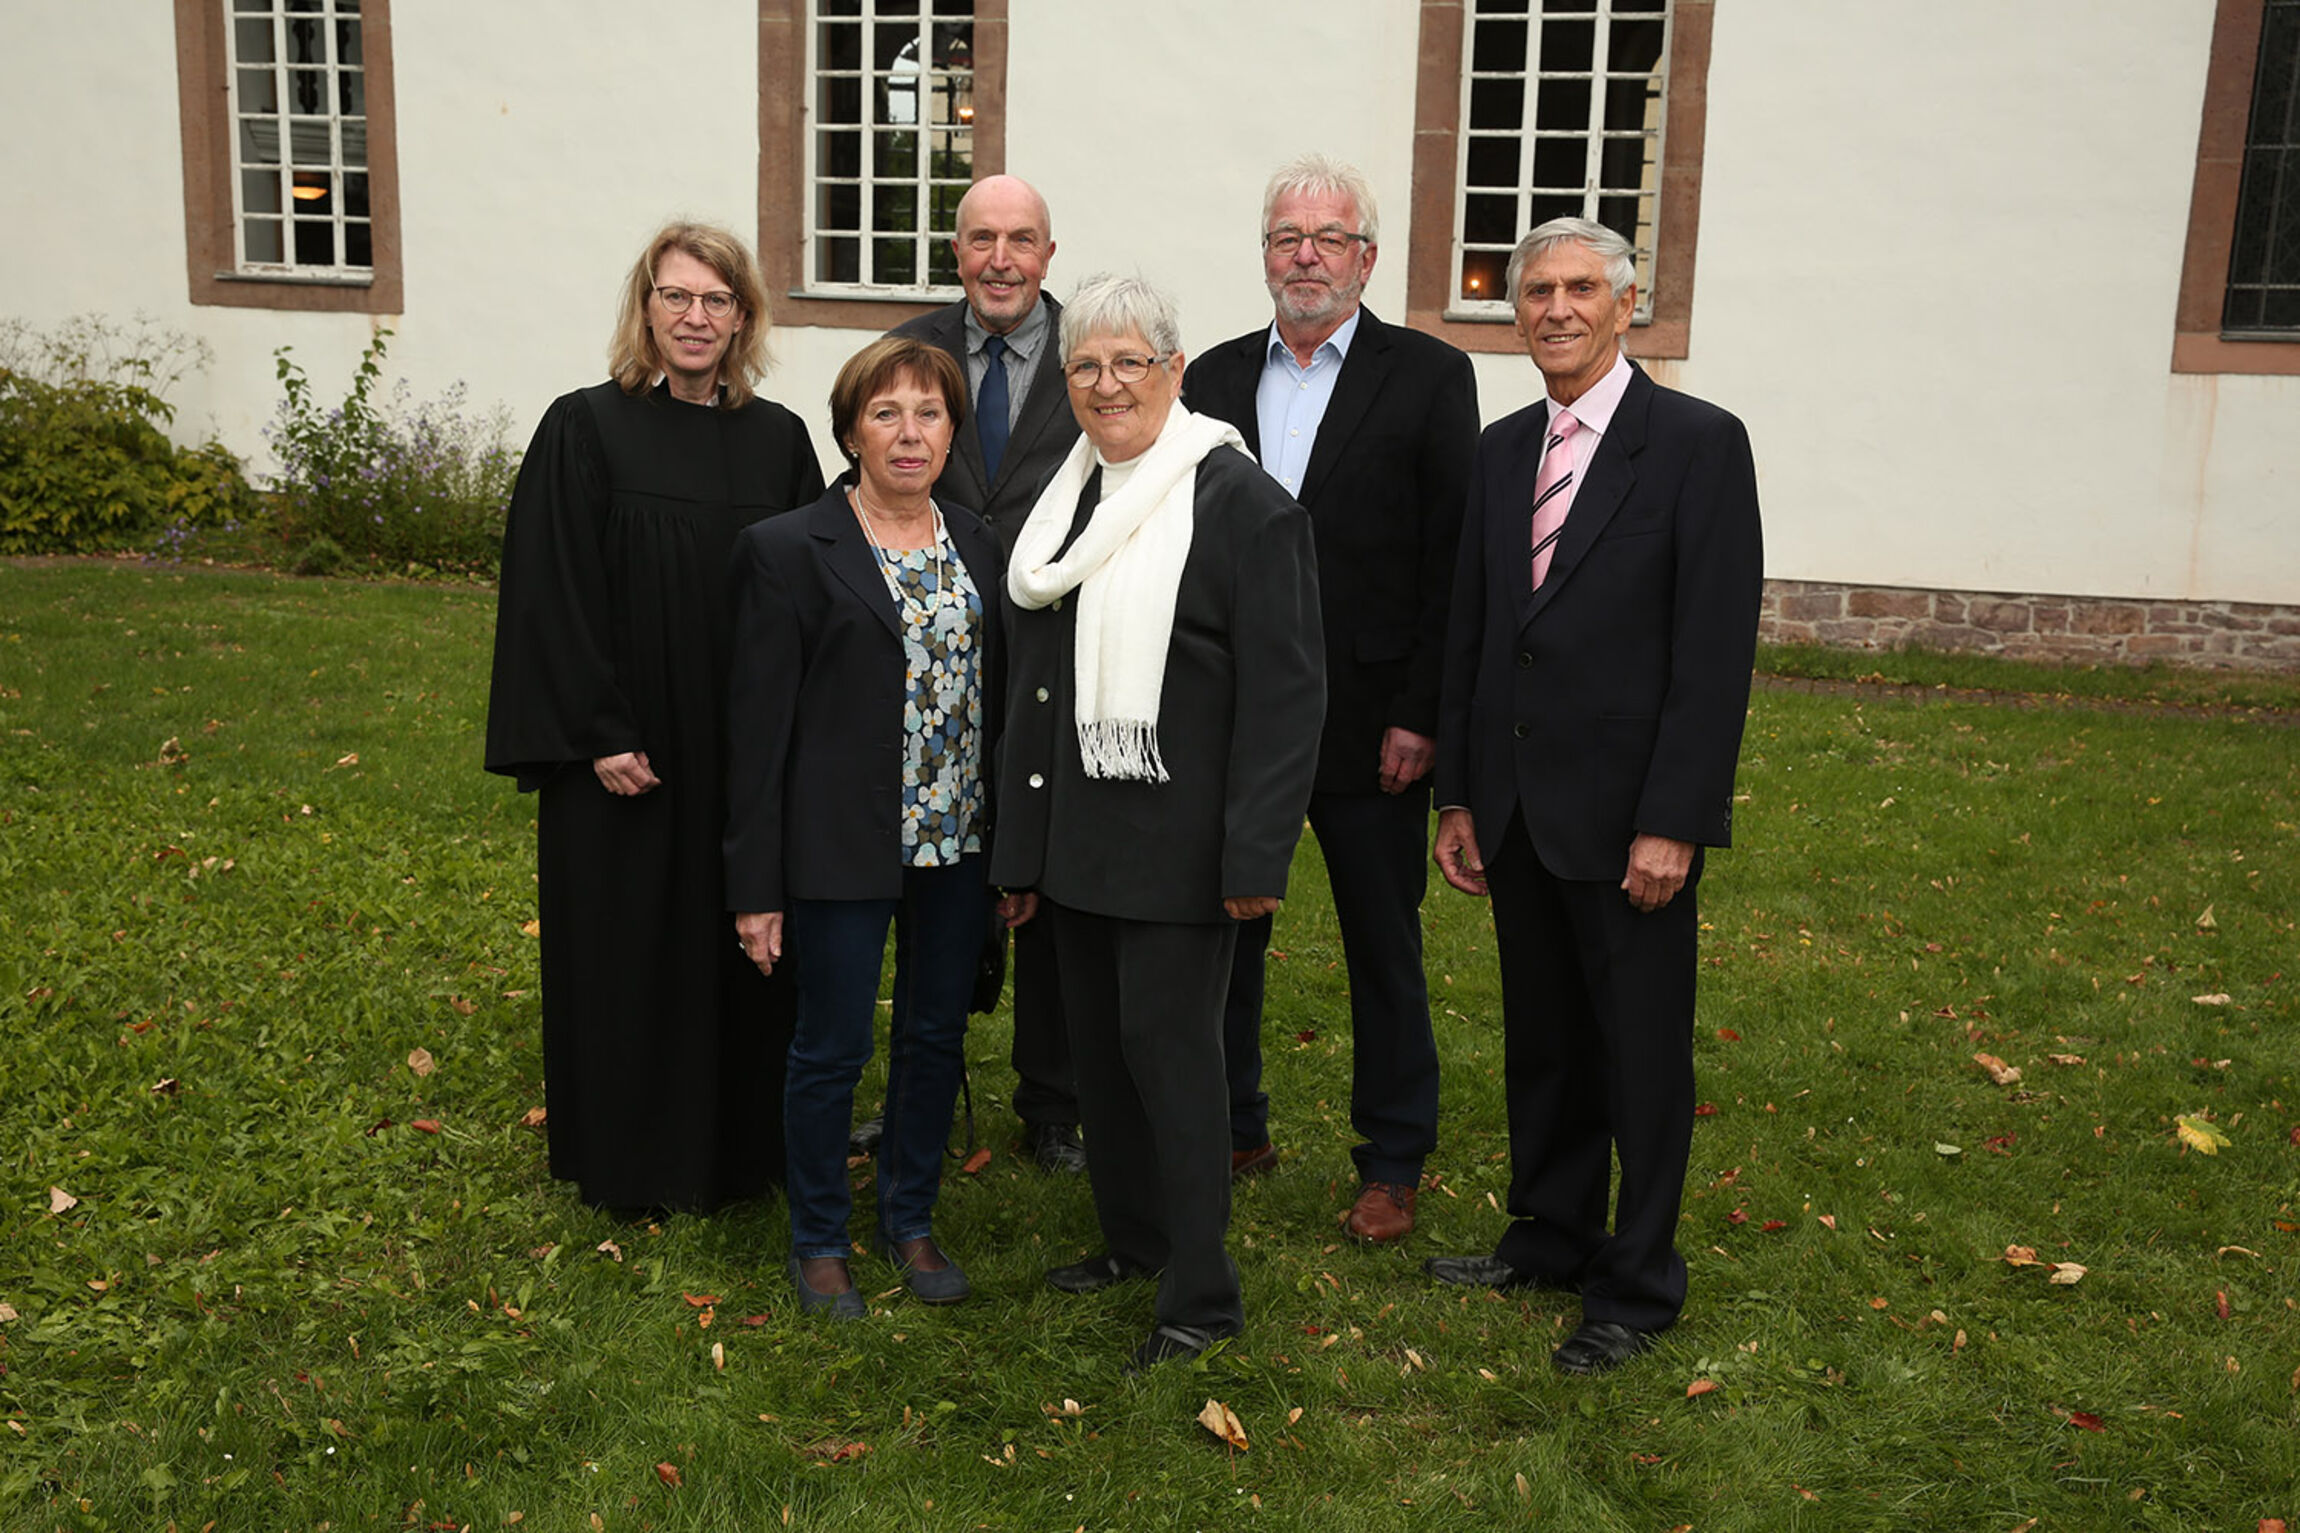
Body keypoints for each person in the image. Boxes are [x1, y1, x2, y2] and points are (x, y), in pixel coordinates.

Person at [1424, 217, 1763, 1373]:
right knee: (1545, 1038)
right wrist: (1460, 795)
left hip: (1629, 820)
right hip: (1518, 807)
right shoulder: (1501, 450)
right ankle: (1549, 1233)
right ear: (1515, 314)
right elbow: (1476, 631)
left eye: (1579, 289)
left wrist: (1673, 820)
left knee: (1638, 1055)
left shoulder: (1697, 445)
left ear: (1626, 305)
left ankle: (1635, 1283)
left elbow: (1711, 653)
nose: (1556, 309)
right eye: (1536, 292)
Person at [993, 273, 1324, 1370]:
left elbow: (1287, 699)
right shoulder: (1066, 503)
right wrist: (1024, 852)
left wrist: (1254, 854)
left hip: (1186, 850)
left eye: (1128, 362)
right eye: (1084, 365)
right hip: (1082, 838)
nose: (1105, 385)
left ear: (1173, 372)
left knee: (1175, 1067)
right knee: (1100, 1060)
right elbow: (1039, 690)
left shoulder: (1243, 504)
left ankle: (1200, 1298)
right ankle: (1134, 1243)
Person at [484, 220, 823, 1216]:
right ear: (646, 309)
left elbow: (816, 591)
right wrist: (598, 730)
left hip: (742, 749)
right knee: (627, 951)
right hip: (624, 755)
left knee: (739, 947)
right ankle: (628, 1161)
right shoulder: (584, 428)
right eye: (676, 296)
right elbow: (550, 589)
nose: (695, 317)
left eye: (716, 300)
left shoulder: (778, 441)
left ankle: (738, 1154)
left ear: (743, 318)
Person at [1183, 153, 1479, 1241]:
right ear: (1263, 253)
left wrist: (1422, 711)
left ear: (1367, 256)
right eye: (1285, 237)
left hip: (1372, 723)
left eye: (1328, 238)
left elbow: (1452, 555)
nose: (1305, 256)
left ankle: (1391, 1159)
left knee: (1381, 948)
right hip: (1234, 718)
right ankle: (1232, 1127)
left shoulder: (1430, 375)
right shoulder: (1210, 378)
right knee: (1226, 937)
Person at [725, 335, 1016, 1318]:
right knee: (833, 1047)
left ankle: (909, 1216)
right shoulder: (786, 550)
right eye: (885, 413)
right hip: (837, 848)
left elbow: (1003, 705)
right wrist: (755, 888)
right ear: (851, 431)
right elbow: (756, 736)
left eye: (928, 413)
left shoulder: (979, 543)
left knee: (935, 1036)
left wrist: (1012, 853)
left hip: (955, 845)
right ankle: (818, 1238)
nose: (908, 433)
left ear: (951, 432)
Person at [890, 174, 1087, 1174]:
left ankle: (1052, 1100)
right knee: (932, 873)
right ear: (956, 251)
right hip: (937, 654)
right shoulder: (910, 347)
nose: (1000, 260)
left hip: (1065, 648)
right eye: (981, 239)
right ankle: (921, 1085)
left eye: (1020, 240)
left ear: (1049, 253)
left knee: (1049, 869)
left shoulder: (1093, 347)